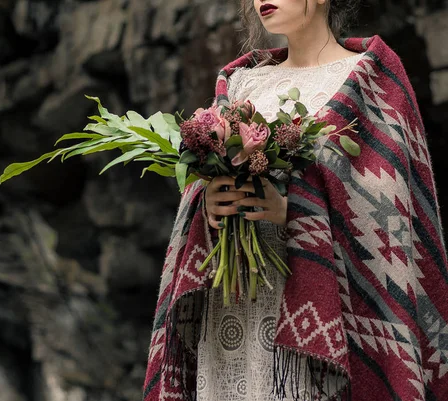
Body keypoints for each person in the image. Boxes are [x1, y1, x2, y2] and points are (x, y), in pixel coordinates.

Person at [143, 1, 448, 401]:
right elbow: (198, 194)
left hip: (318, 326)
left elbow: (390, 216)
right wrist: (209, 203)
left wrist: (294, 212)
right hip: (230, 310)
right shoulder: (239, 84)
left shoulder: (372, 80)